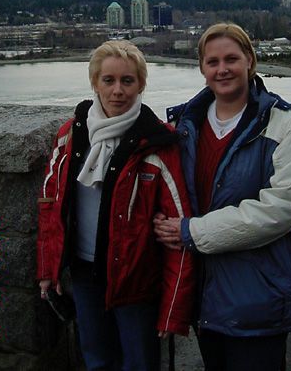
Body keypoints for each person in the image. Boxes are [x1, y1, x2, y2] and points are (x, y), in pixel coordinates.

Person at [154, 22, 291, 371]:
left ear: (249, 61)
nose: (222, 69)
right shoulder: (185, 126)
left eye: (231, 59)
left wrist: (191, 231)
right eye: (212, 62)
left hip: (258, 297)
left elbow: (282, 208)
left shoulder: (285, 124)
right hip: (204, 294)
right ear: (202, 68)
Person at [37, 40, 194, 371]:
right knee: (97, 361)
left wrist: (172, 309)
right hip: (84, 274)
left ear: (141, 85)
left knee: (139, 364)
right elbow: (51, 206)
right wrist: (49, 269)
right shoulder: (71, 135)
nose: (118, 90)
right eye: (108, 80)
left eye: (127, 80)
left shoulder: (158, 143)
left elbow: (177, 229)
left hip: (137, 281)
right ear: (95, 82)